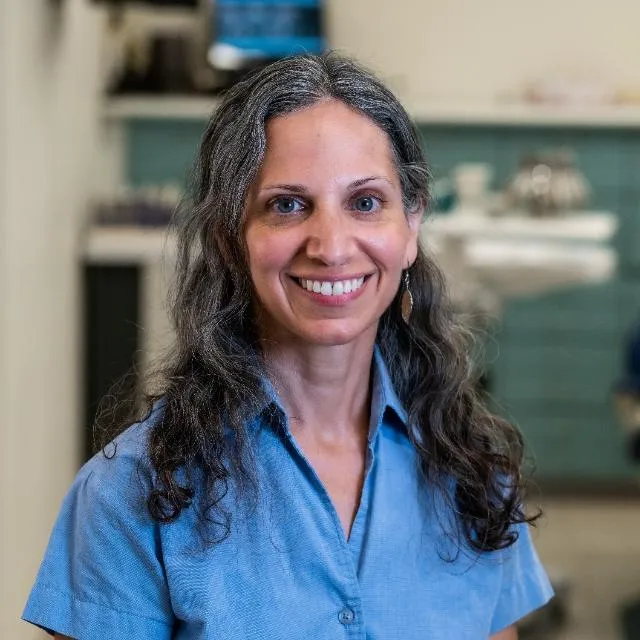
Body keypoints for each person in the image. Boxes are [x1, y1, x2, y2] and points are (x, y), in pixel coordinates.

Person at [23, 53, 553, 639]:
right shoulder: (133, 491)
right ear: (229, 239)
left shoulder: (471, 467)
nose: (331, 247)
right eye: (287, 205)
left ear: (411, 226)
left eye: (365, 202)